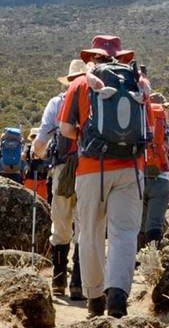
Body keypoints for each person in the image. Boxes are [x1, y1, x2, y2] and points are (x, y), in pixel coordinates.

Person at [59, 35, 150, 319]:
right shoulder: (137, 81)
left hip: (92, 169)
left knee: (89, 233)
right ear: (121, 57)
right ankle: (118, 298)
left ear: (92, 58)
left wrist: (87, 136)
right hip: (131, 168)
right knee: (124, 233)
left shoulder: (79, 83)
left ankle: (95, 299)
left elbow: (65, 128)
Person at [33, 59, 87, 300]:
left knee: (61, 224)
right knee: (84, 227)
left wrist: (36, 154)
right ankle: (78, 284)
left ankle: (58, 281)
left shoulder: (57, 103)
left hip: (63, 169)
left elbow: (42, 140)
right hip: (90, 170)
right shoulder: (94, 100)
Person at [140, 92, 169, 248]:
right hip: (161, 181)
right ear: (163, 109)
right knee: (155, 224)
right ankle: (152, 261)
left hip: (138, 180)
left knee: (140, 223)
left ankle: (135, 262)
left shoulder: (139, 128)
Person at [23, 127, 49, 201]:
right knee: (42, 201)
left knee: (28, 200)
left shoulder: (28, 146)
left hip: (30, 178)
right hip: (42, 178)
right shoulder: (45, 147)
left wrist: (28, 161)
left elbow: (23, 156)